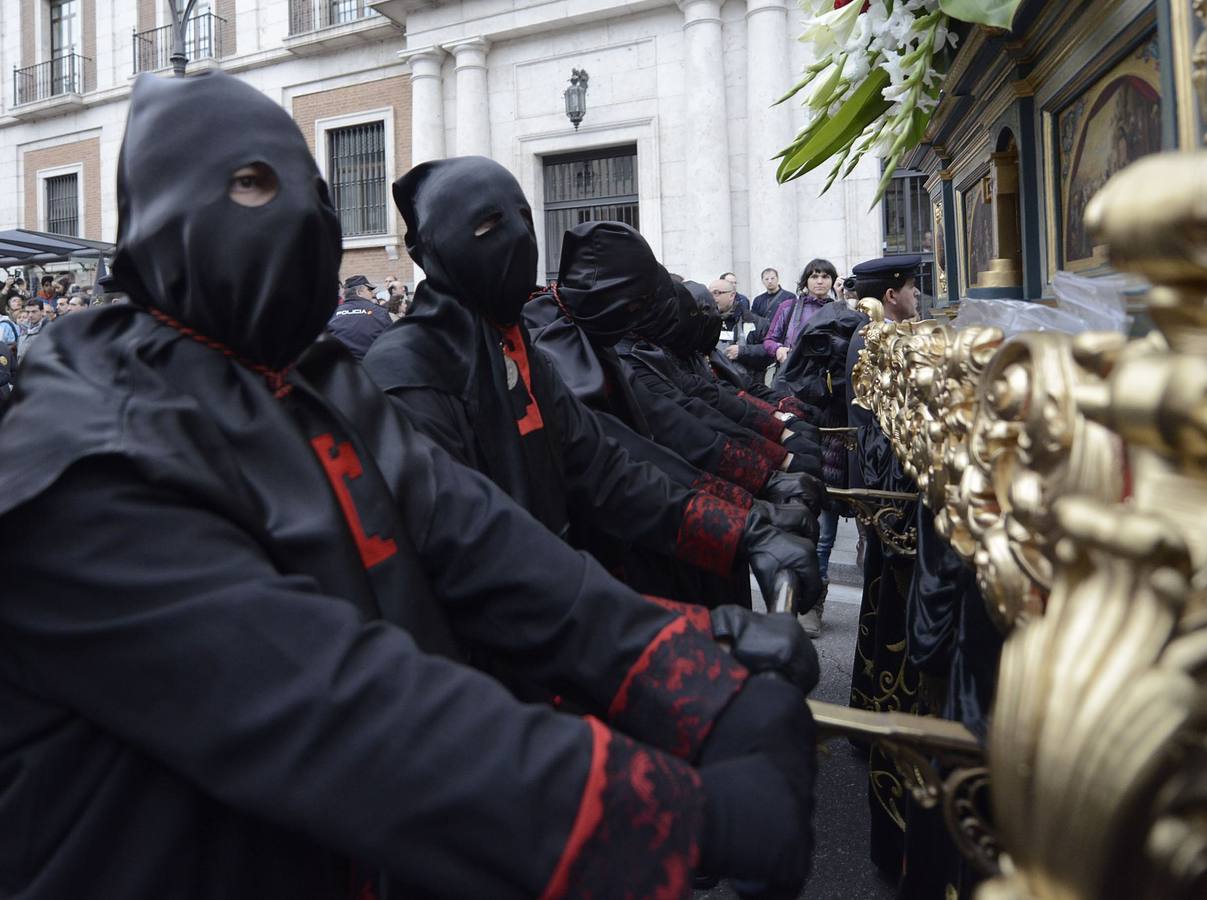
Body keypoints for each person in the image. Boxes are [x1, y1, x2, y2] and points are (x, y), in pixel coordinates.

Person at [0, 70, 820, 900]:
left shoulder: (312, 382)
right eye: (250, 185)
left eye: (314, 191)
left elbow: (480, 537)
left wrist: (682, 665)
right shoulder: (81, 456)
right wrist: (677, 818)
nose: (299, 217)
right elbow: (327, 708)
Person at [363, 157, 819, 610]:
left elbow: (607, 468)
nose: (517, 239)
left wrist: (742, 530)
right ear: (430, 249)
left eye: (525, 219)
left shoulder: (519, 351)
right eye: (487, 226)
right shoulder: (408, 374)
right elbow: (476, 555)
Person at [844, 254, 923, 879]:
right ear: (893, 294)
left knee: (881, 616)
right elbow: (880, 440)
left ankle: (870, 716)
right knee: (893, 625)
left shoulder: (876, 338)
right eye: (913, 286)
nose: (919, 295)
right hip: (895, 511)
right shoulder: (879, 343)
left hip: (886, 510)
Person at [764, 259, 838, 366]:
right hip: (793, 371)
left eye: (825, 277)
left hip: (828, 372)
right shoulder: (789, 307)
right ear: (806, 281)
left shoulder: (838, 309)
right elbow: (769, 340)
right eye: (814, 277)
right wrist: (778, 349)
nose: (820, 281)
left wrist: (845, 297)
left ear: (833, 281)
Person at [713, 276, 774, 385]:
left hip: (748, 387)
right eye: (710, 293)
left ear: (732, 295)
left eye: (717, 293)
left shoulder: (756, 322)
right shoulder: (706, 321)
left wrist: (742, 351)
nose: (713, 297)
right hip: (715, 387)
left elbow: (770, 351)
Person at [326, 273, 392, 360]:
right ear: (359, 292)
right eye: (369, 290)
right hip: (370, 367)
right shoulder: (379, 312)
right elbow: (391, 342)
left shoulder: (331, 313)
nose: (372, 293)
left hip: (339, 368)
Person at [17, 297, 46, 362]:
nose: (30, 315)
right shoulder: (23, 328)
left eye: (34, 312)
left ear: (42, 312)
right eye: (28, 312)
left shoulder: (48, 329)